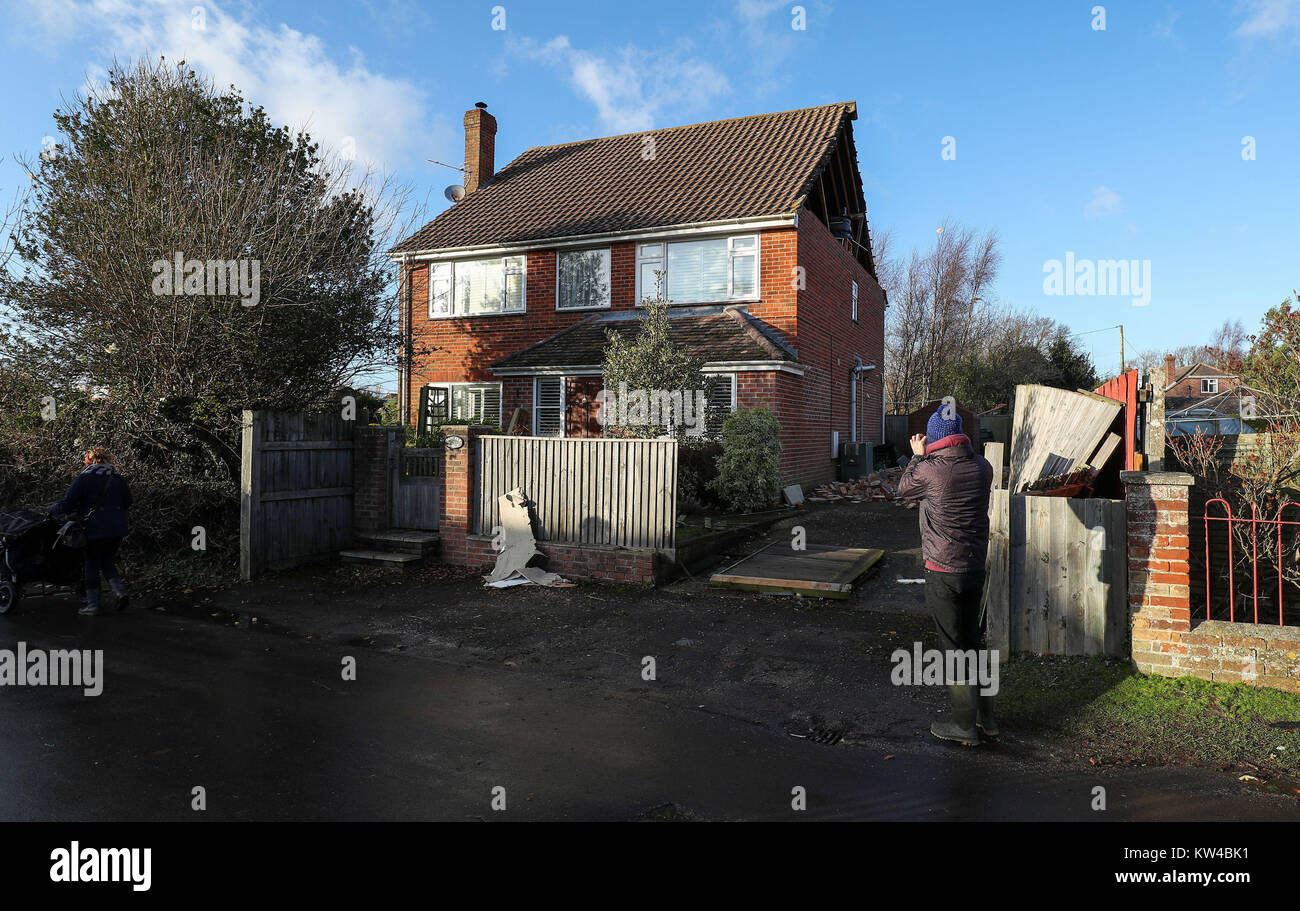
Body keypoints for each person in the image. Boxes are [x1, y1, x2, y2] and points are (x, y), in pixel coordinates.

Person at [896, 404, 994, 746]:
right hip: (975, 567)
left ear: (935, 439)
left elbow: (904, 490)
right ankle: (987, 719)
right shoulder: (983, 466)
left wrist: (917, 456)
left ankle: (963, 727)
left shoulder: (930, 470)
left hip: (942, 569)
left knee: (954, 648)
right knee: (973, 640)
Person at [50, 447, 133, 616]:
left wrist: (53, 509)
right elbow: (128, 501)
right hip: (117, 529)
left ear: (89, 461)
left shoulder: (84, 478)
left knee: (92, 564)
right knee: (108, 561)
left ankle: (93, 606)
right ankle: (120, 593)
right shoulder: (117, 478)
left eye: (84, 460)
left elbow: (68, 503)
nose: (83, 463)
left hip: (94, 529)